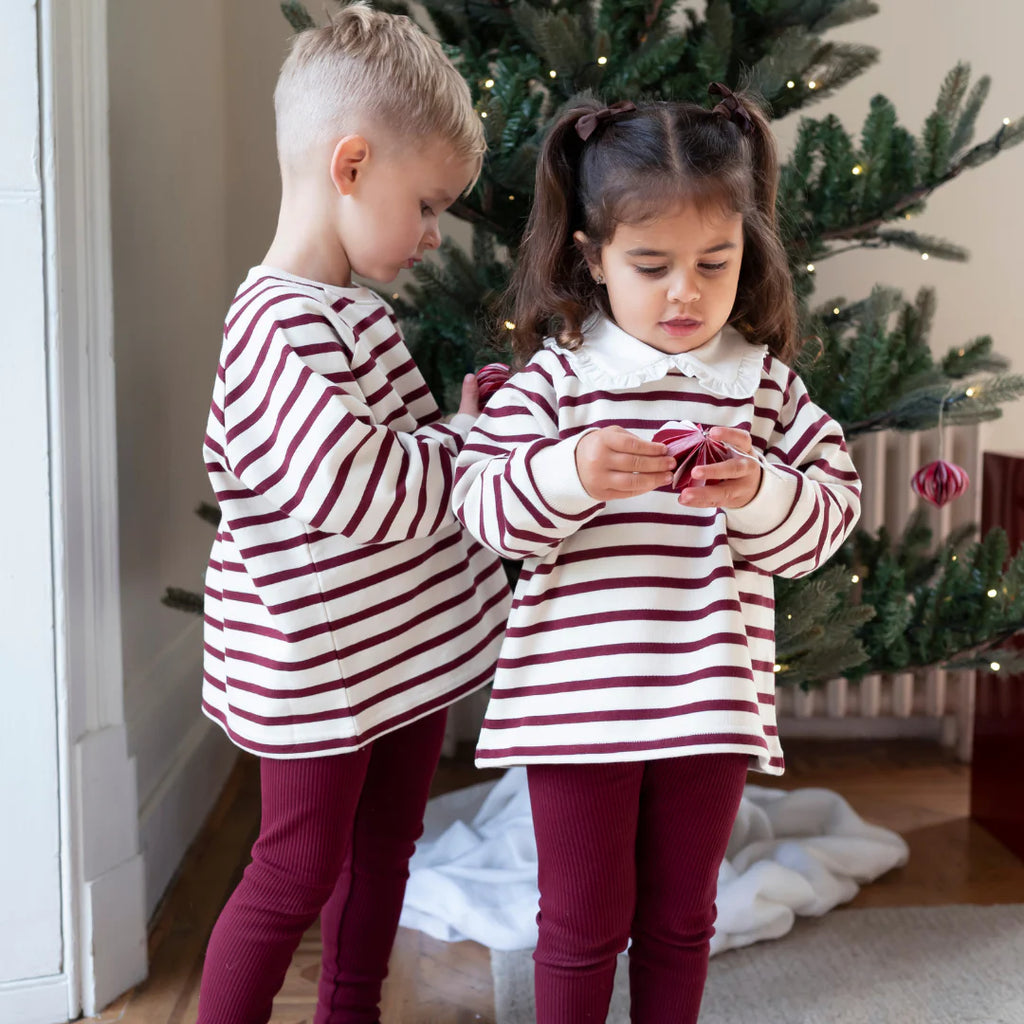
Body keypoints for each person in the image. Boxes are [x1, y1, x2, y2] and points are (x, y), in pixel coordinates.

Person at [452, 86, 862, 1023]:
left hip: (706, 701)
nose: (687, 291)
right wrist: (570, 474)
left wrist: (759, 490)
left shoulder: (762, 390)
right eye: (652, 264)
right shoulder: (556, 383)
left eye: (715, 263)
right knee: (581, 924)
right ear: (594, 260)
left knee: (682, 921)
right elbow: (482, 510)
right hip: (574, 708)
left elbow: (828, 522)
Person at [195, 6, 511, 1022]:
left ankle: (351, 1008)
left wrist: (456, 421)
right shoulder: (281, 325)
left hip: (393, 651)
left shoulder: (348, 311)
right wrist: (459, 449)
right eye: (425, 204)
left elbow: (389, 456)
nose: (430, 234)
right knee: (294, 869)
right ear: (351, 164)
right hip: (322, 667)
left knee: (385, 850)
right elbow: (358, 489)